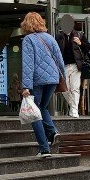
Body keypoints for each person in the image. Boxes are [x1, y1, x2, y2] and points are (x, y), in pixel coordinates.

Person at [19, 11, 66, 157]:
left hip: (37, 80)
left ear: (26, 24)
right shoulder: (50, 38)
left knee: (34, 114)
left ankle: (44, 148)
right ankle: (52, 133)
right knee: (42, 108)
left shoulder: (28, 39)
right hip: (52, 79)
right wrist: (63, 78)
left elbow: (28, 64)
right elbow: (60, 60)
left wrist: (25, 86)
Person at [56, 14, 90, 118]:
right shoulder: (59, 36)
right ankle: (73, 106)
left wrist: (80, 43)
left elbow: (88, 48)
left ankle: (74, 110)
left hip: (76, 66)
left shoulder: (79, 35)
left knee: (75, 88)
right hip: (63, 67)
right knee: (64, 89)